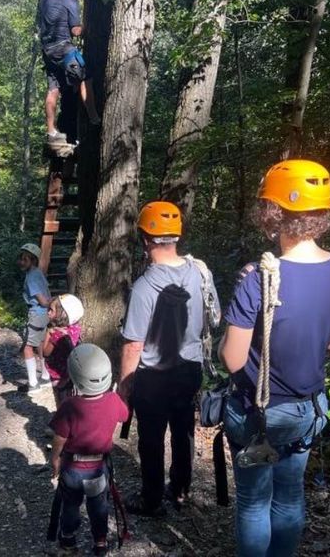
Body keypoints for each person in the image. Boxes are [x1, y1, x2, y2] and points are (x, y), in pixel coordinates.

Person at [220, 159, 330, 557]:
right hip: (307, 410)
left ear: (273, 212)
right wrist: (313, 338)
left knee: (254, 502)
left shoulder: (259, 277)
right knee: (288, 496)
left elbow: (233, 359)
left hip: (259, 410)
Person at [119, 201, 218, 516]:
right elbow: (211, 318)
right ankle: (180, 489)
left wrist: (124, 388)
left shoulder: (144, 287)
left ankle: (151, 499)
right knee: (182, 429)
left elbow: (134, 344)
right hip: (190, 368)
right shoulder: (199, 272)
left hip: (154, 375)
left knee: (151, 437)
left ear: (146, 240)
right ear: (176, 236)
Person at [49, 344, 129, 555]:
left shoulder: (69, 406)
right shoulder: (113, 400)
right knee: (98, 506)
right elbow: (124, 415)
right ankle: (100, 542)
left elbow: (59, 437)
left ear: (75, 376)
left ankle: (68, 540)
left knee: (71, 505)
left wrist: (55, 458)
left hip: (73, 468)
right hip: (98, 467)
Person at [36, 0, 100, 143]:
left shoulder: (44, 0)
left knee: (53, 89)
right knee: (85, 77)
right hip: (63, 48)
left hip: (47, 50)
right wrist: (88, 27)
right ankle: (94, 118)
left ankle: (51, 130)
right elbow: (76, 31)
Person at [17, 243, 52, 393]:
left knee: (28, 347)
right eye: (20, 258)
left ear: (33, 260)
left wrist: (51, 302)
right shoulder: (38, 273)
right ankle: (45, 376)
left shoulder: (31, 278)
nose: (21, 262)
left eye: (25, 259)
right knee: (40, 345)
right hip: (44, 315)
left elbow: (43, 300)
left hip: (36, 313)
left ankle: (33, 383)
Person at [42, 294, 84, 409]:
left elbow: (45, 352)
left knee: (61, 402)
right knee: (71, 399)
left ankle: (63, 422)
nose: (48, 312)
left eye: (51, 310)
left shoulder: (56, 334)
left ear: (63, 314)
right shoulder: (75, 328)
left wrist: (48, 334)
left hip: (58, 376)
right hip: (71, 373)